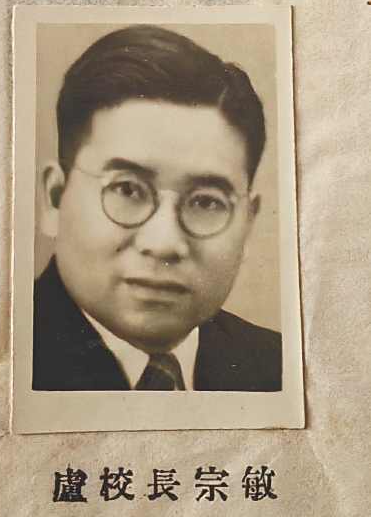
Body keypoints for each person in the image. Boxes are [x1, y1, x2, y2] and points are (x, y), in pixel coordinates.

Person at [32, 25, 282, 392]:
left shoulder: (283, 369)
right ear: (55, 198)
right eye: (127, 189)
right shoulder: (4, 357)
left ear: (248, 224)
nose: (164, 243)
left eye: (206, 202)